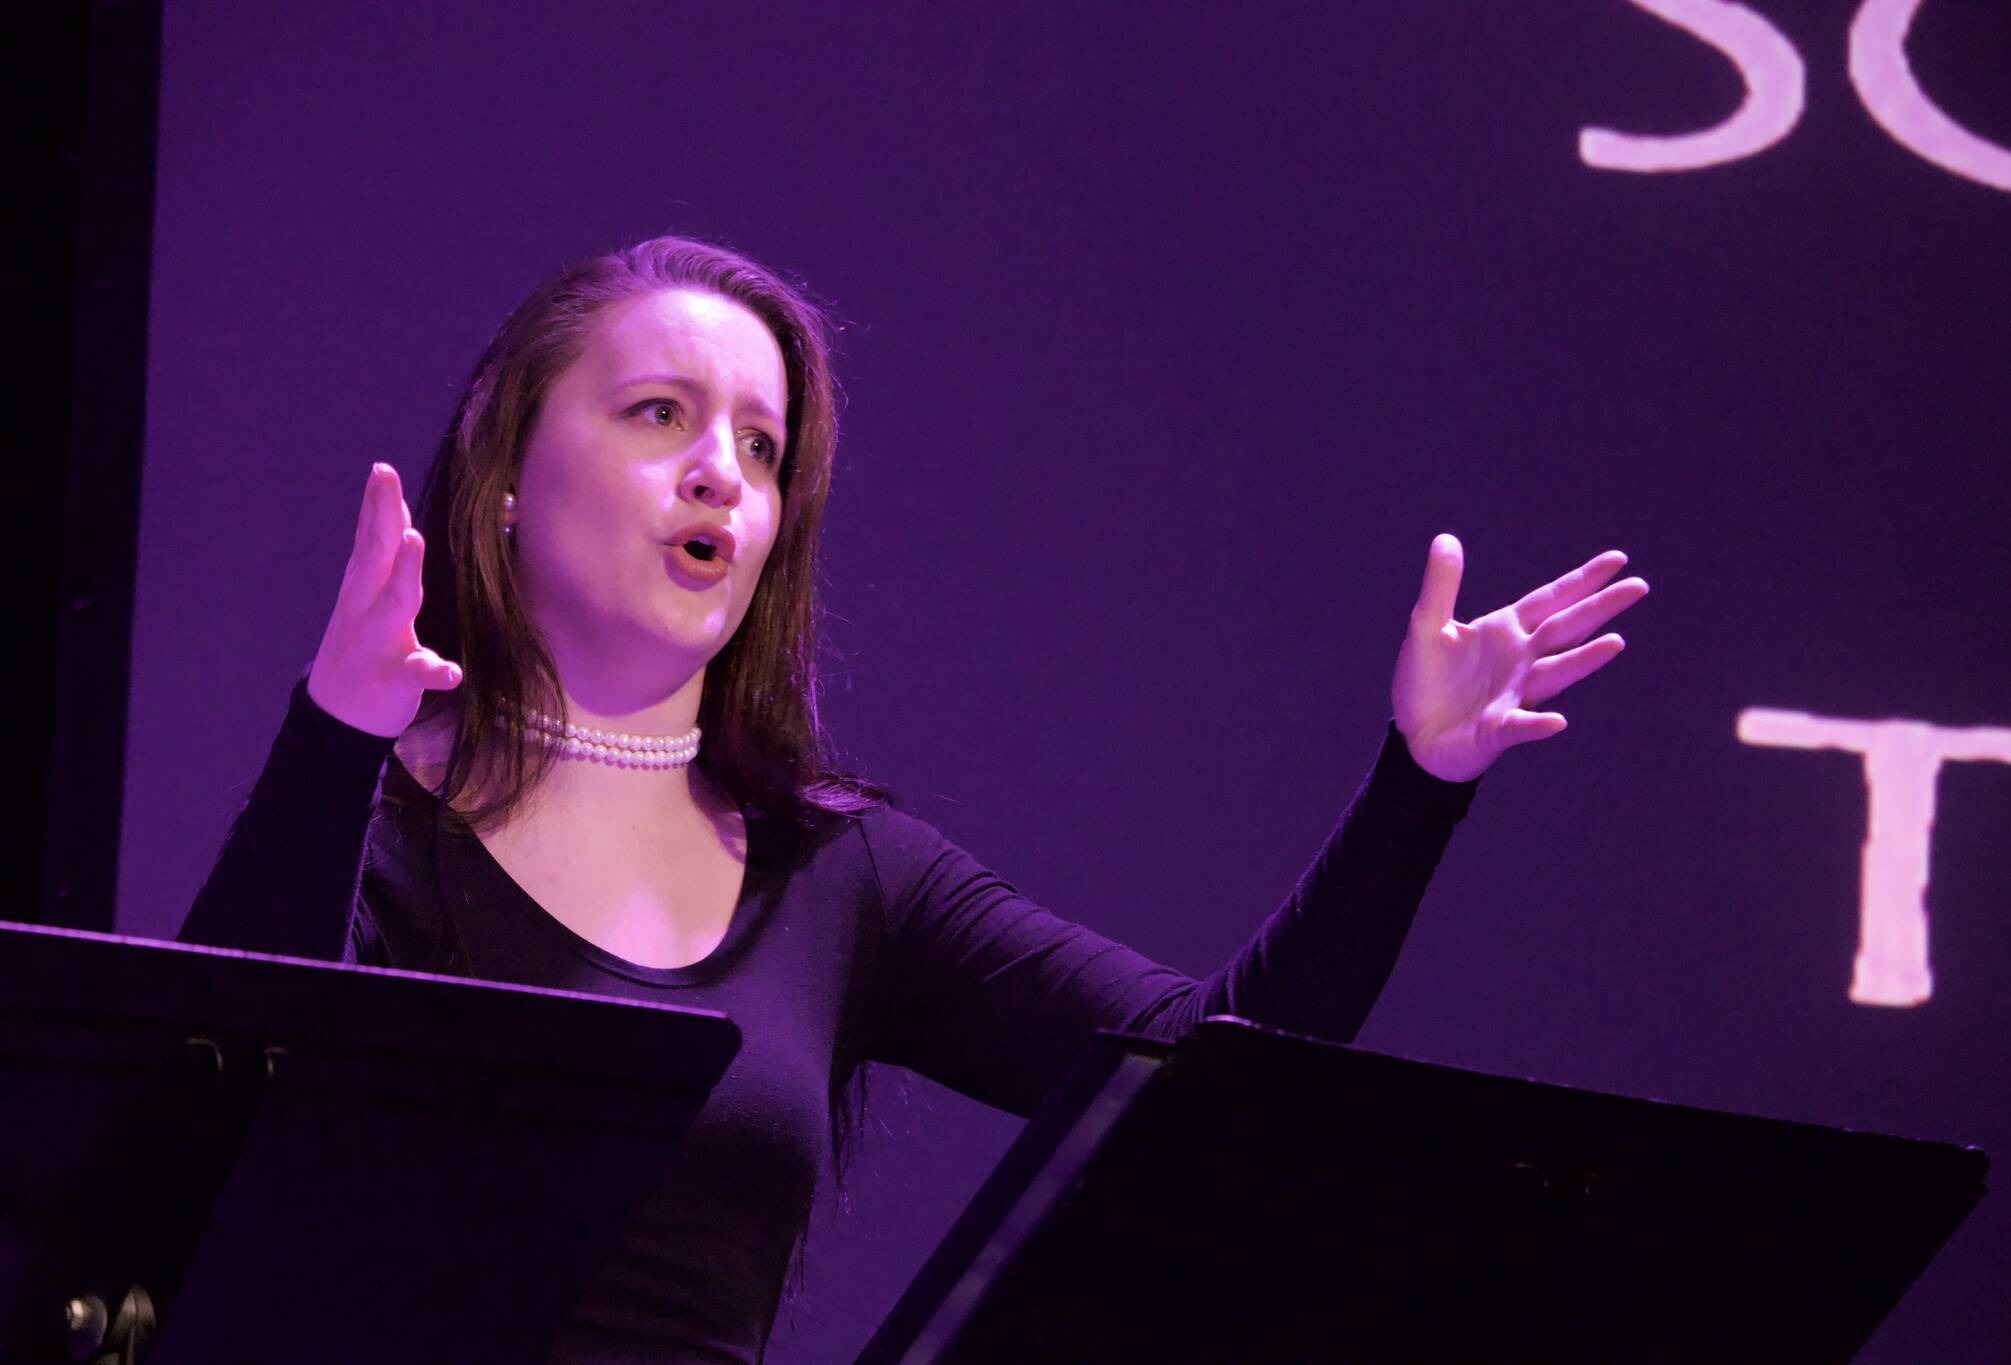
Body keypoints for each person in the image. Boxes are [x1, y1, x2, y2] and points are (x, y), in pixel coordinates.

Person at [178, 234, 1648, 1363]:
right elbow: (195, 1124)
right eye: (658, 413)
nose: (721, 474)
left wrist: (1418, 781)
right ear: (507, 472)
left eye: (761, 448)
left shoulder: (843, 873)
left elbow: (1213, 1077)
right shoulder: (372, 821)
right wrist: (335, 736)